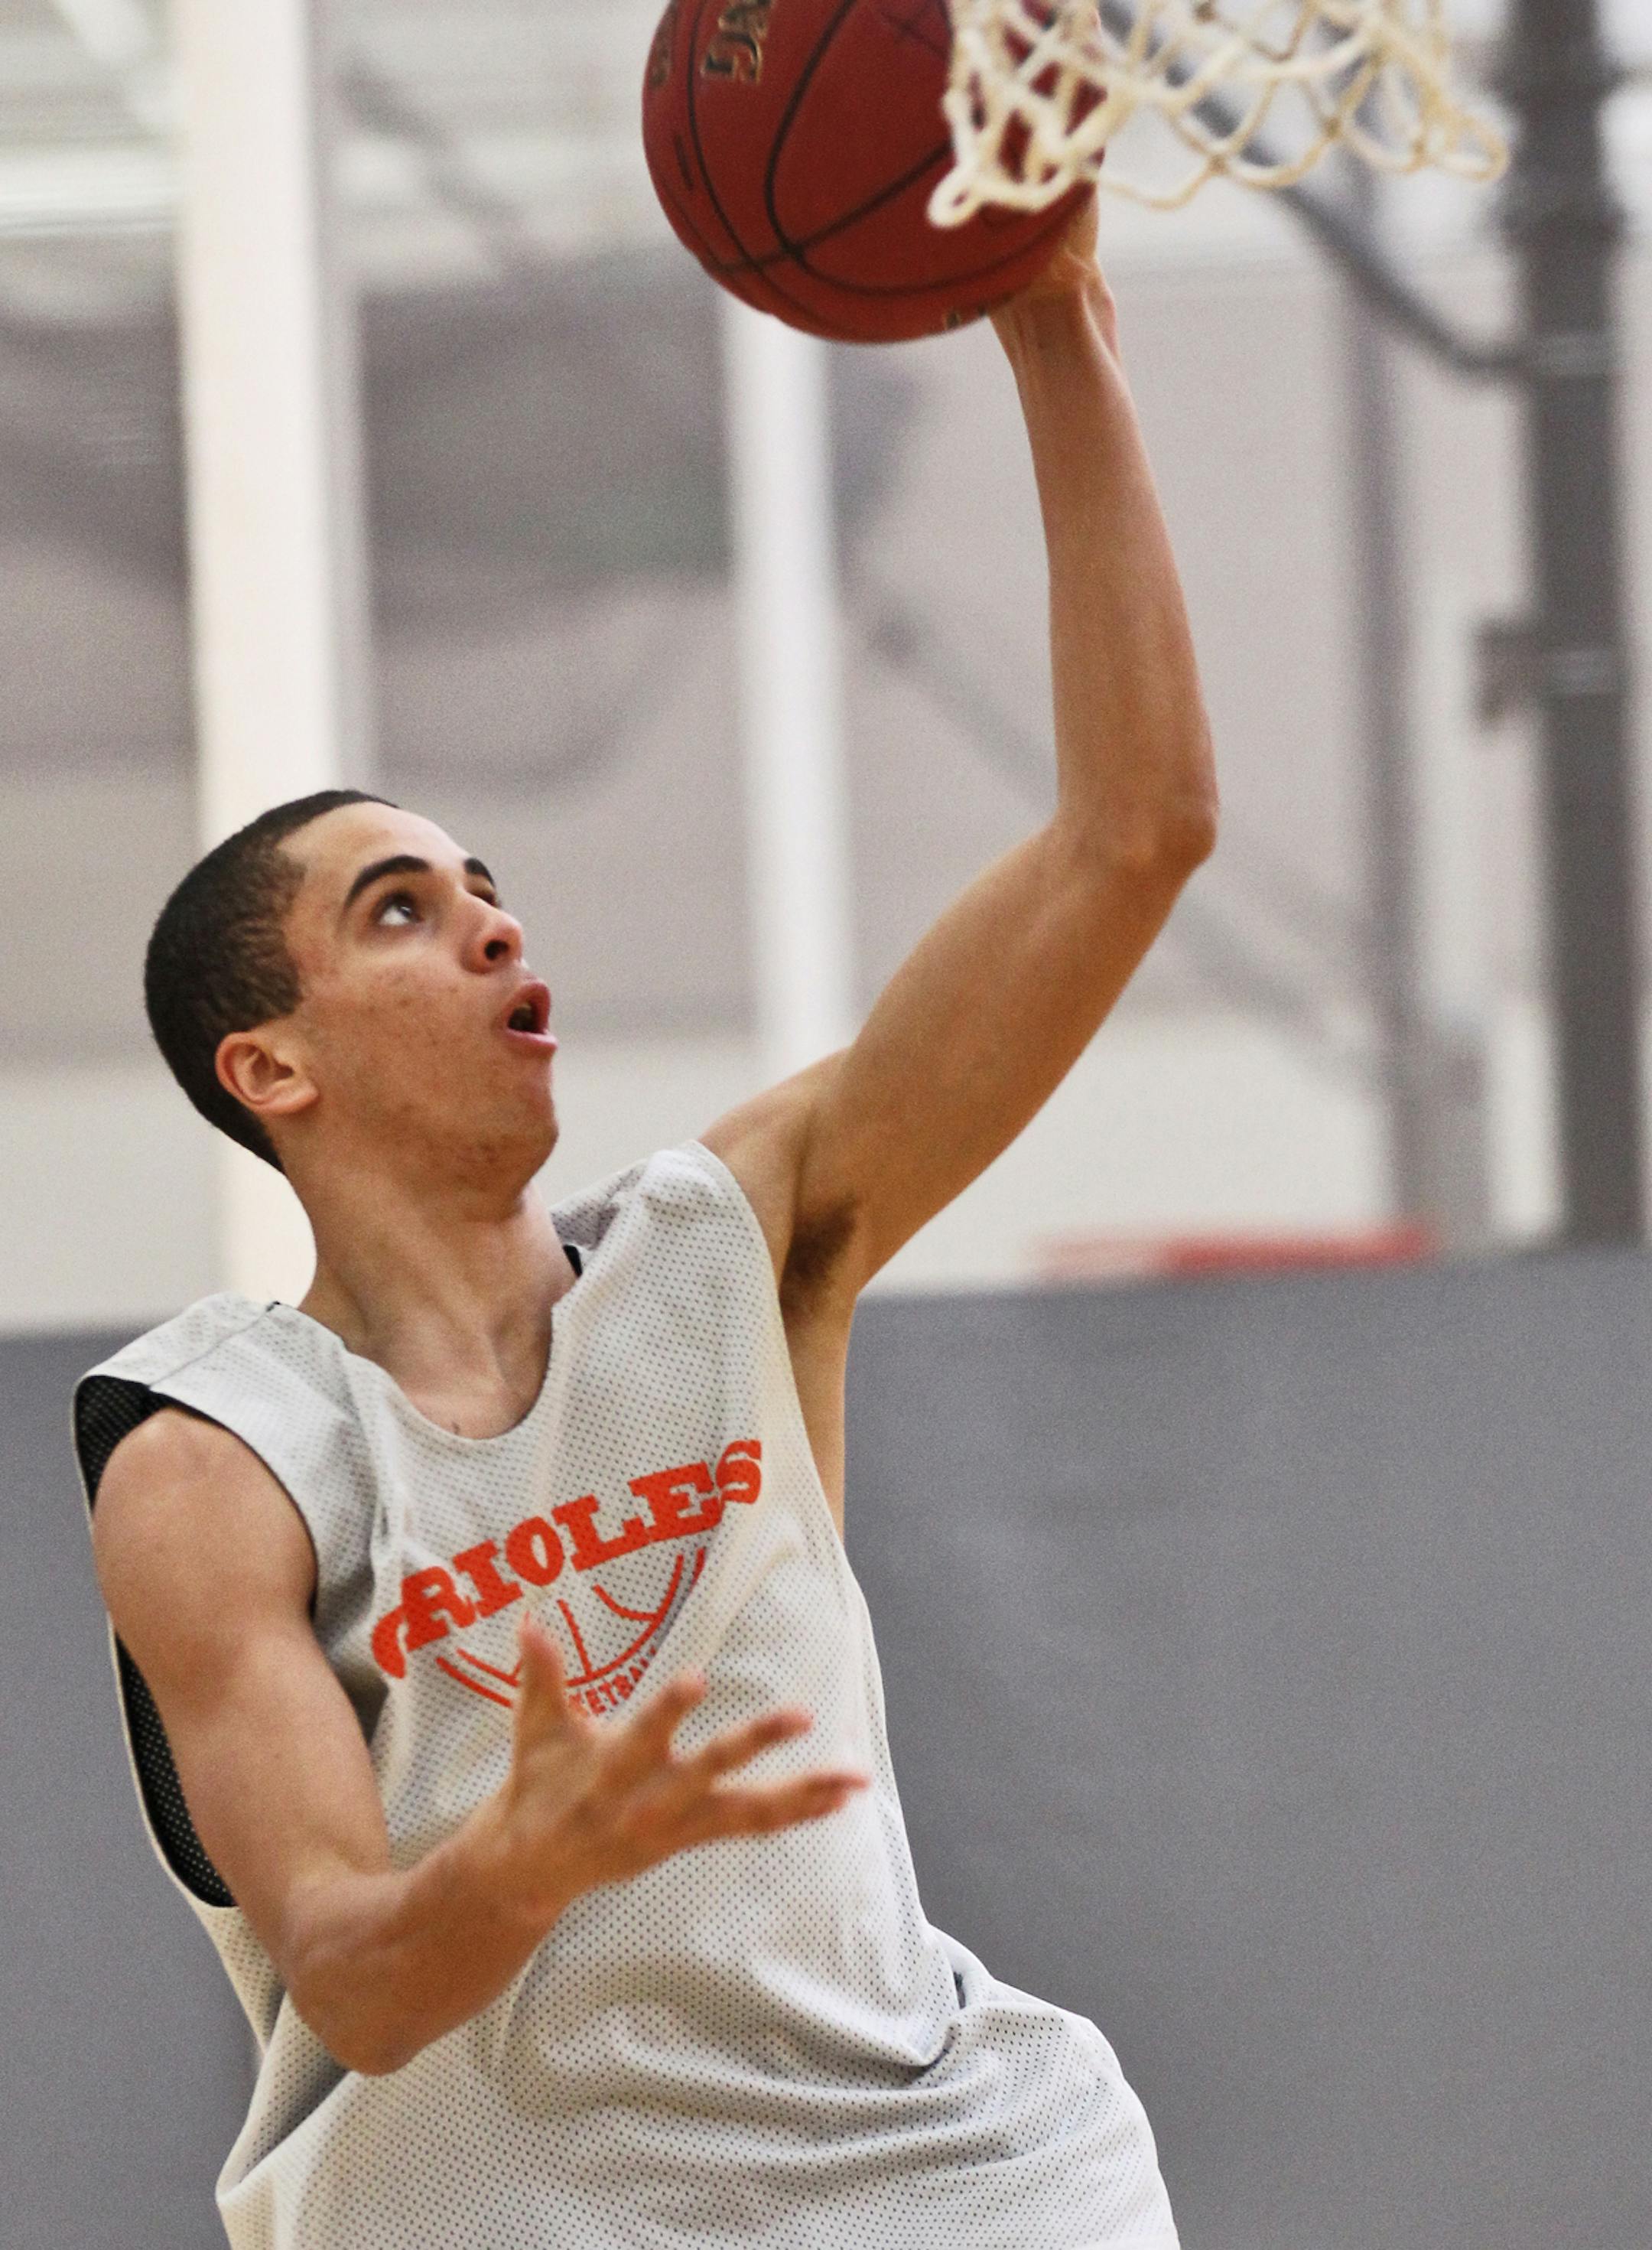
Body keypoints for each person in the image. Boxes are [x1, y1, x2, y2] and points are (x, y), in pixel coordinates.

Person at [78, 203, 1216, 2250]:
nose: (495, 919)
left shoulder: (731, 1243)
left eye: (485, 881)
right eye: (397, 911)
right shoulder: (214, 1457)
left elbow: (1137, 836)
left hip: (942, 2186)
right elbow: (349, 1967)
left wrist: (1059, 321)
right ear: (275, 1068)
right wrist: (519, 1864)